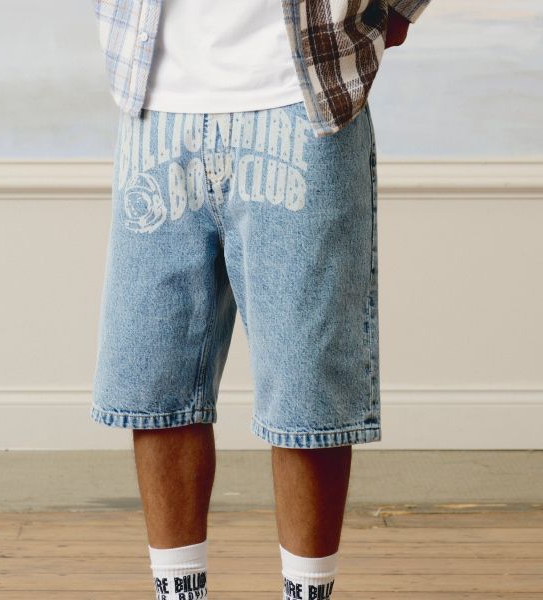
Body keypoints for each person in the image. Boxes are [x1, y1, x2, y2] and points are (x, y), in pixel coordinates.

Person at [90, 0, 431, 598]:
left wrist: (397, 9)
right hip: (157, 99)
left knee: (308, 387)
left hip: (302, 99)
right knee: (156, 383)